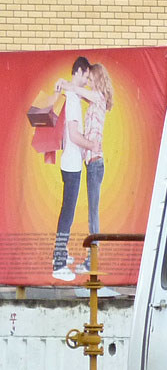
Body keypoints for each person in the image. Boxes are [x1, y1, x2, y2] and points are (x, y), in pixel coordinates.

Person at [57, 62, 112, 271]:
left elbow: (77, 91)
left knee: (93, 213)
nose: (88, 83)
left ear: (97, 79)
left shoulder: (98, 97)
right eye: (86, 79)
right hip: (91, 162)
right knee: (91, 212)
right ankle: (90, 258)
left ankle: (92, 259)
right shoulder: (94, 100)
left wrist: (65, 84)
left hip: (95, 163)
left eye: (90, 79)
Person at [49, 56, 97, 281]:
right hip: (72, 163)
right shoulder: (73, 100)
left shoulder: (71, 95)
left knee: (66, 211)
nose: (87, 81)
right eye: (86, 76)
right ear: (78, 71)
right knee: (67, 214)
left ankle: (62, 252)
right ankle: (58, 262)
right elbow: (75, 136)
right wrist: (92, 145)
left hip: (68, 161)